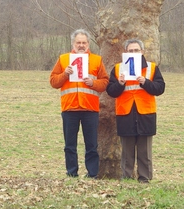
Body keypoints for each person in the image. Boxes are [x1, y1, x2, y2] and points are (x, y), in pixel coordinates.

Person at [50, 29, 109, 178]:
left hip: (90, 108)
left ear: (88, 44)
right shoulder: (63, 59)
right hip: (69, 108)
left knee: (91, 145)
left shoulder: (97, 60)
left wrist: (93, 83)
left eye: (84, 42)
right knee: (70, 145)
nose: (81, 45)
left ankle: (92, 174)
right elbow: (53, 82)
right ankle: (71, 173)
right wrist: (65, 74)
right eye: (78, 42)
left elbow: (105, 83)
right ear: (73, 43)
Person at [106, 39, 165, 183]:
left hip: (146, 114)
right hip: (125, 114)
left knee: (145, 151)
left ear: (142, 52)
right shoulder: (118, 69)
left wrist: (145, 82)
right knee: (127, 152)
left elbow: (160, 88)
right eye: (130, 51)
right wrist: (120, 83)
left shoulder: (151, 68)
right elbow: (111, 91)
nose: (134, 53)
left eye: (136, 50)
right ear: (125, 53)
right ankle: (126, 178)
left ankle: (144, 179)